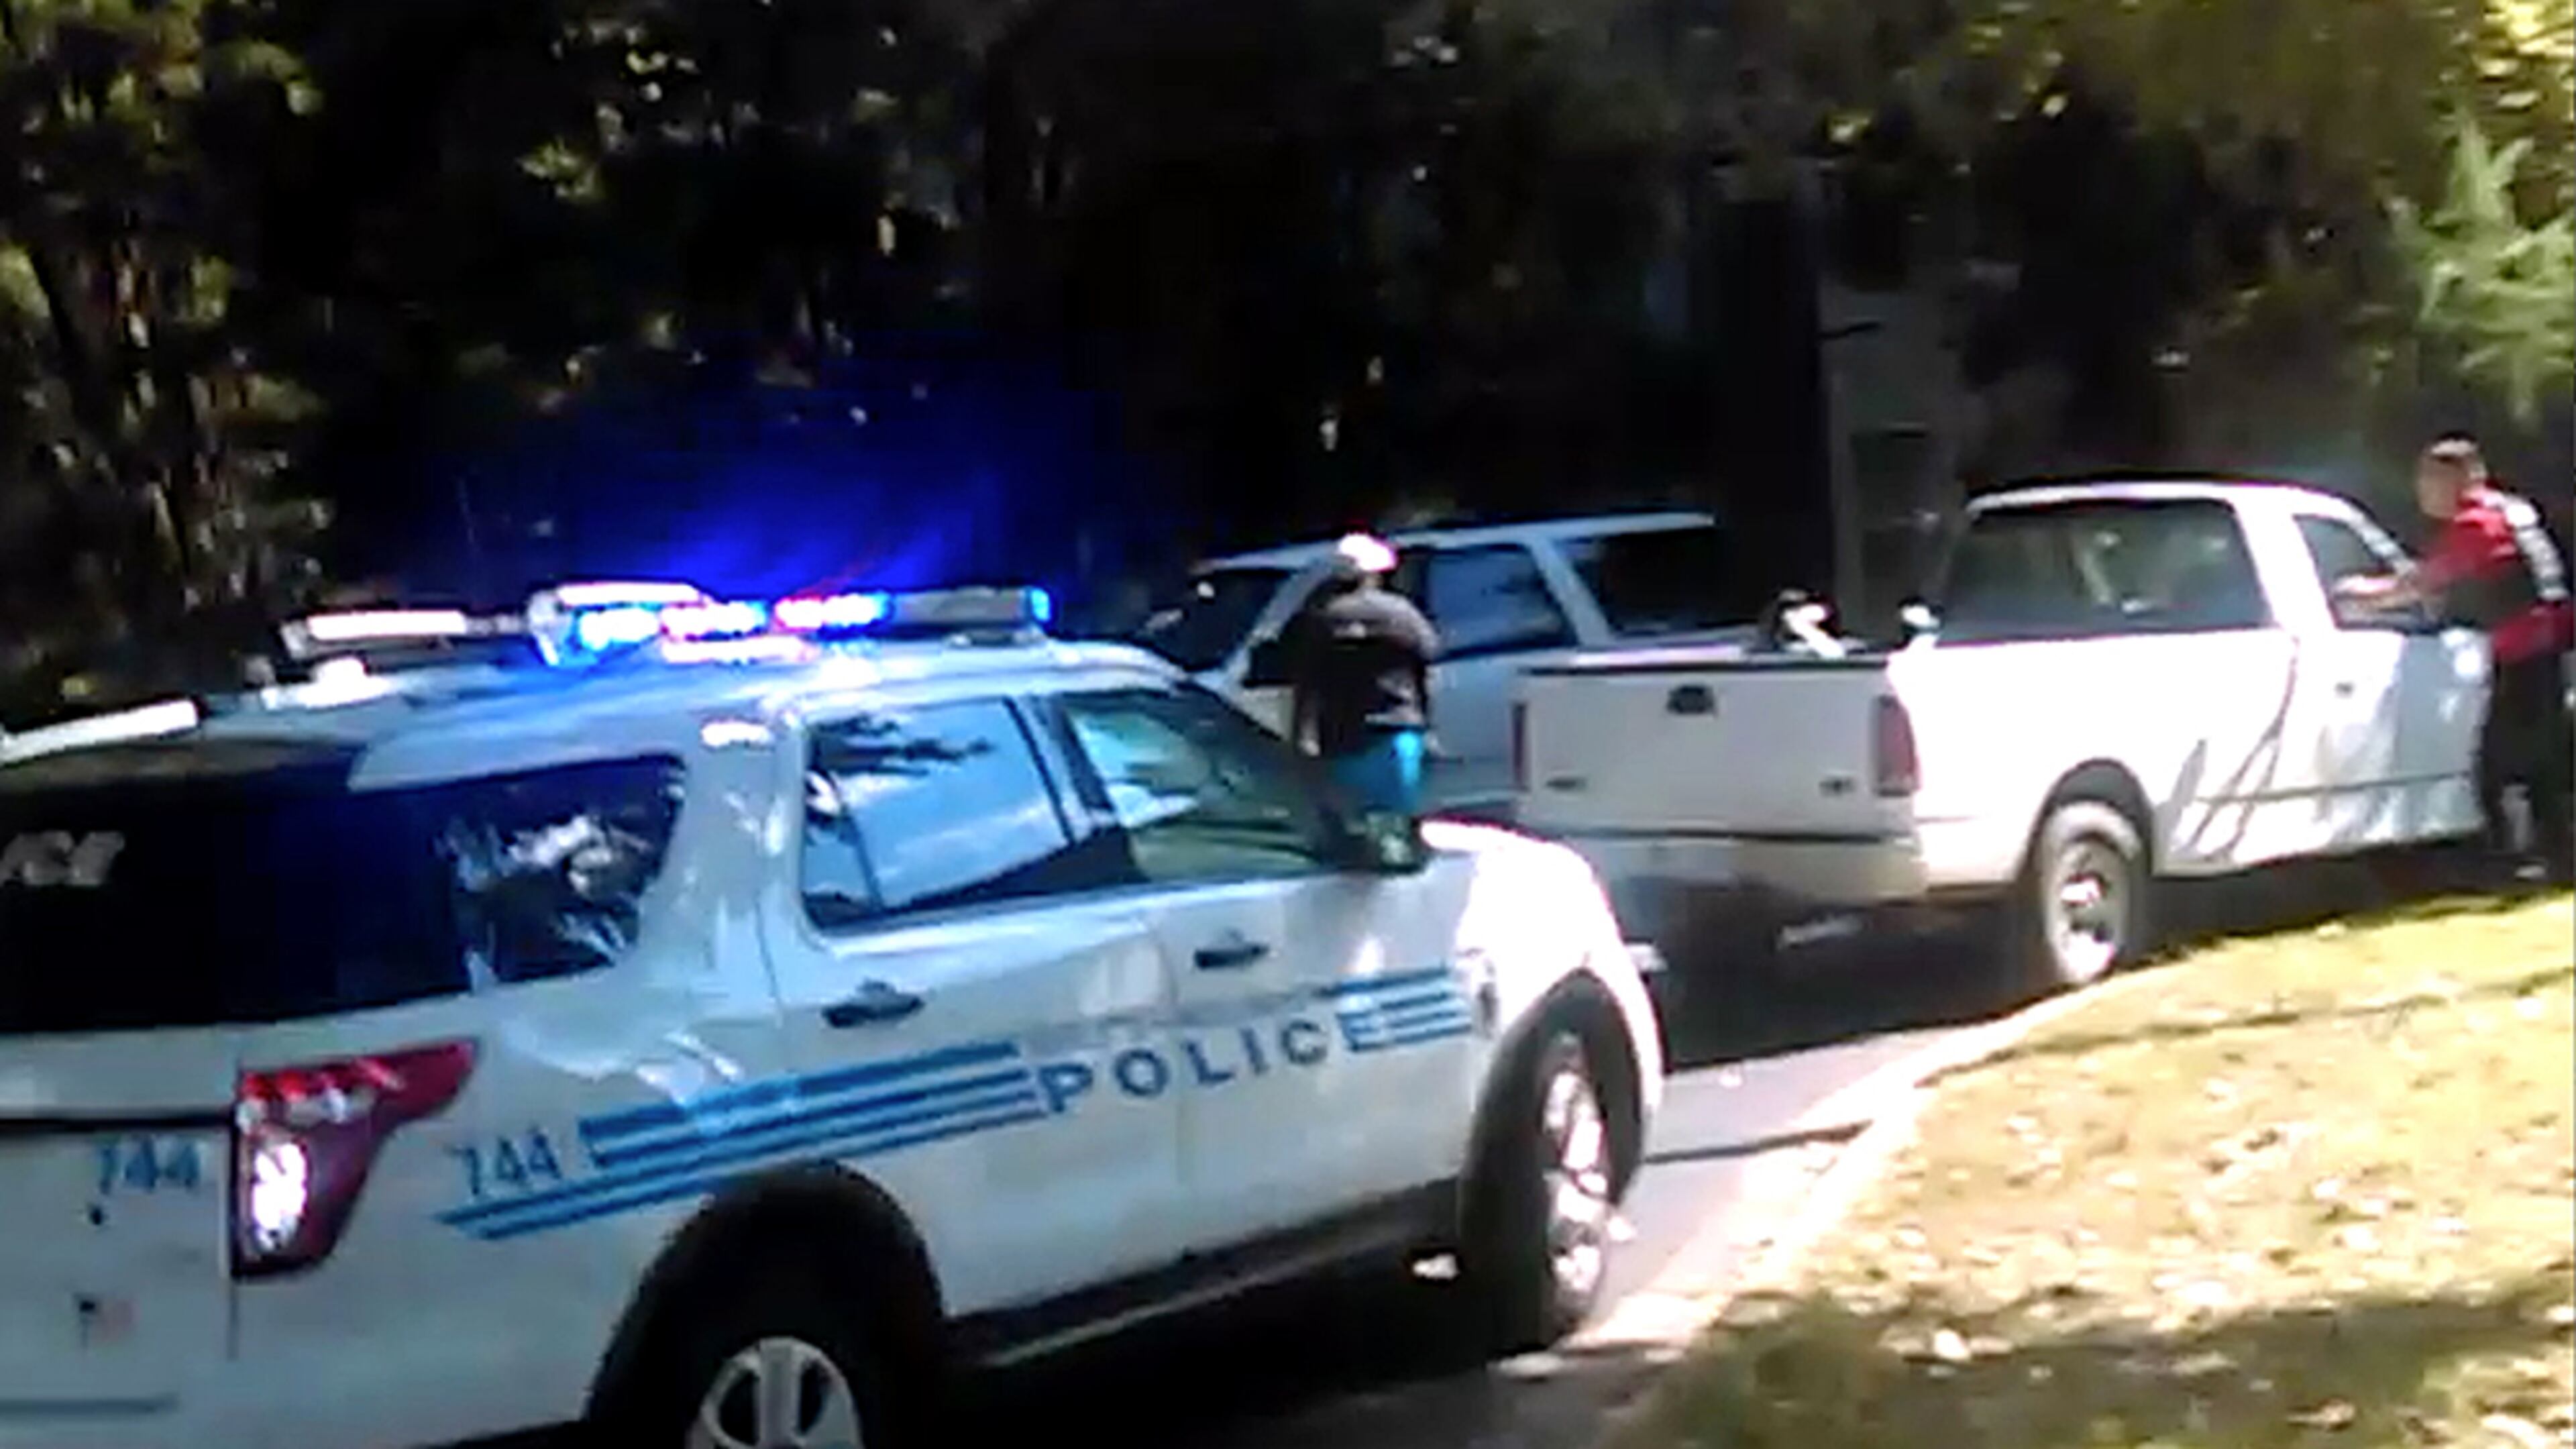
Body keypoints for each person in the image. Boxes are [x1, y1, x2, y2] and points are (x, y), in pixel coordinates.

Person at [2337, 434, 2574, 879]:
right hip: (2548, 644)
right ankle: (2556, 859)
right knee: (2541, 763)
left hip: (2525, 651)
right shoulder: (2513, 510)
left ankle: (2516, 865)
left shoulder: (2476, 524)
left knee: (2496, 767)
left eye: (2429, 482)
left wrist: (2364, 595)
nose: (2423, 493)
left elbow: (2426, 581)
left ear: (2458, 480)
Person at [1285, 533, 1442, 820]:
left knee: (1353, 818)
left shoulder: (1322, 618)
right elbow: (1429, 656)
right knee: (1398, 816)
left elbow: (1305, 682)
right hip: (1397, 728)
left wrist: (1302, 738)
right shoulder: (1400, 613)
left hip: (1342, 736)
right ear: (1376, 574)